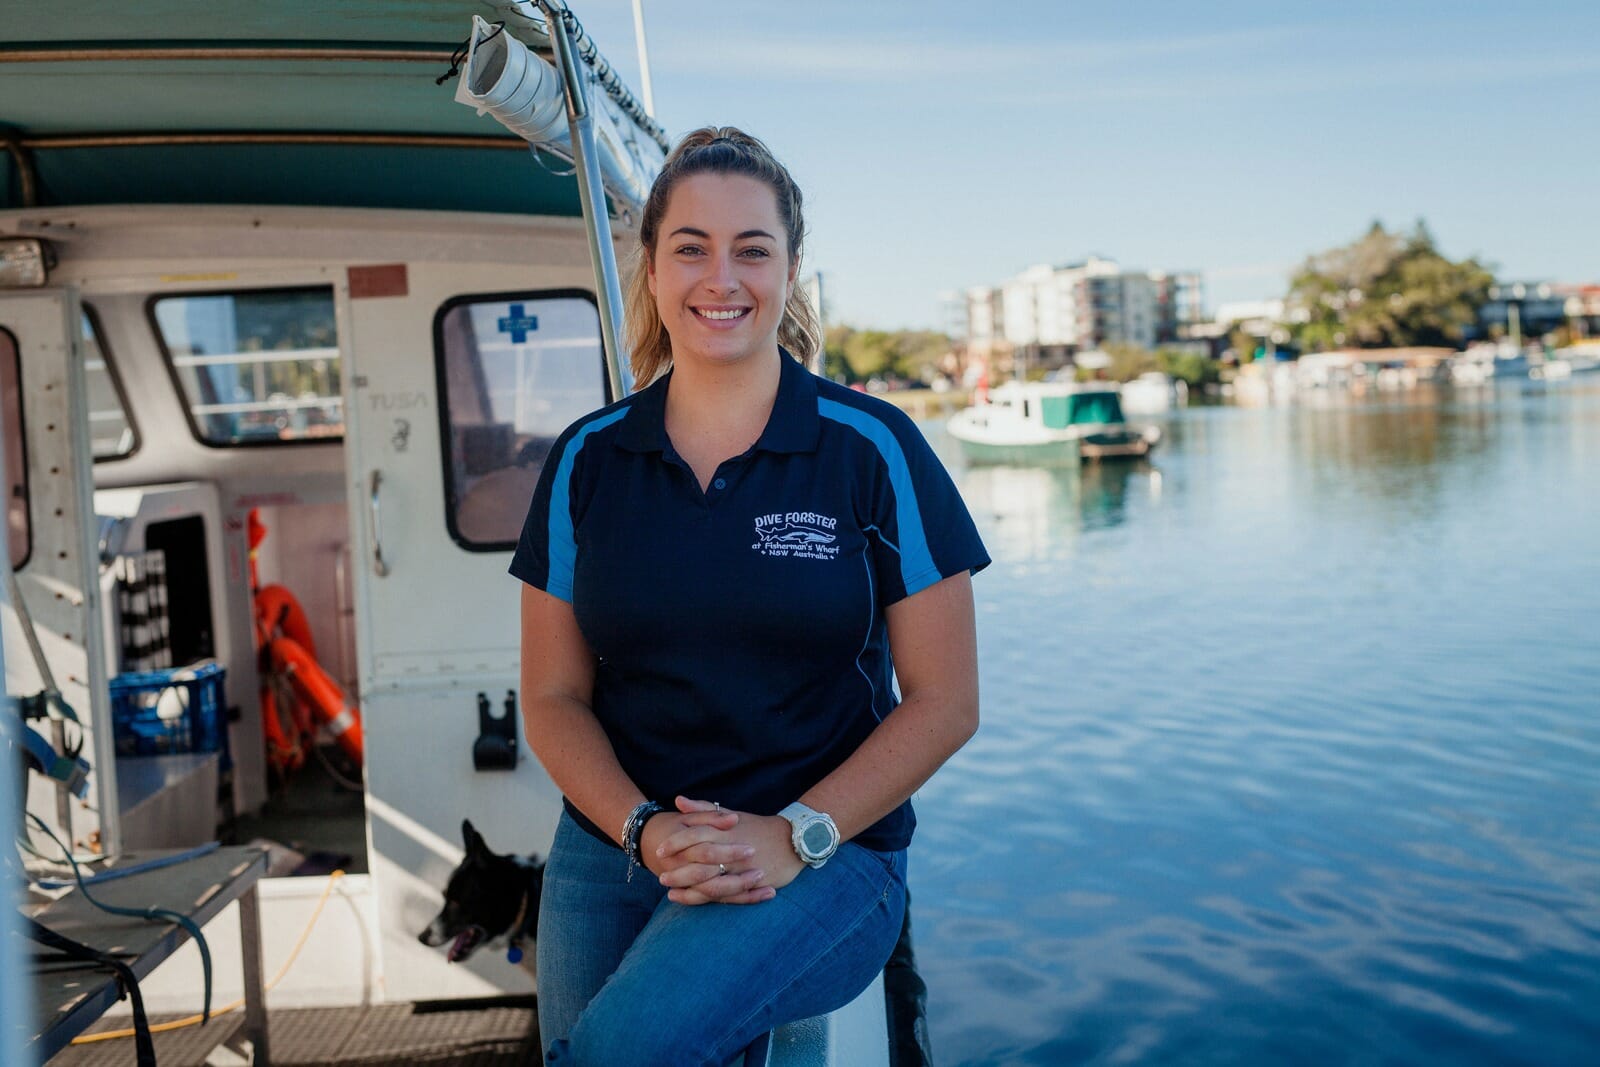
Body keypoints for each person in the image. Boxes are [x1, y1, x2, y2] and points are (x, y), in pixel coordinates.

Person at [511, 126, 989, 1066]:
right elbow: (552, 698)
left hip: (825, 850)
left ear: (791, 269)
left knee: (619, 1053)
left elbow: (946, 702)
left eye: (751, 250)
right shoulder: (587, 460)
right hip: (614, 847)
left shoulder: (872, 448)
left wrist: (794, 835)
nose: (719, 277)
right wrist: (645, 831)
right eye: (690, 247)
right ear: (651, 267)